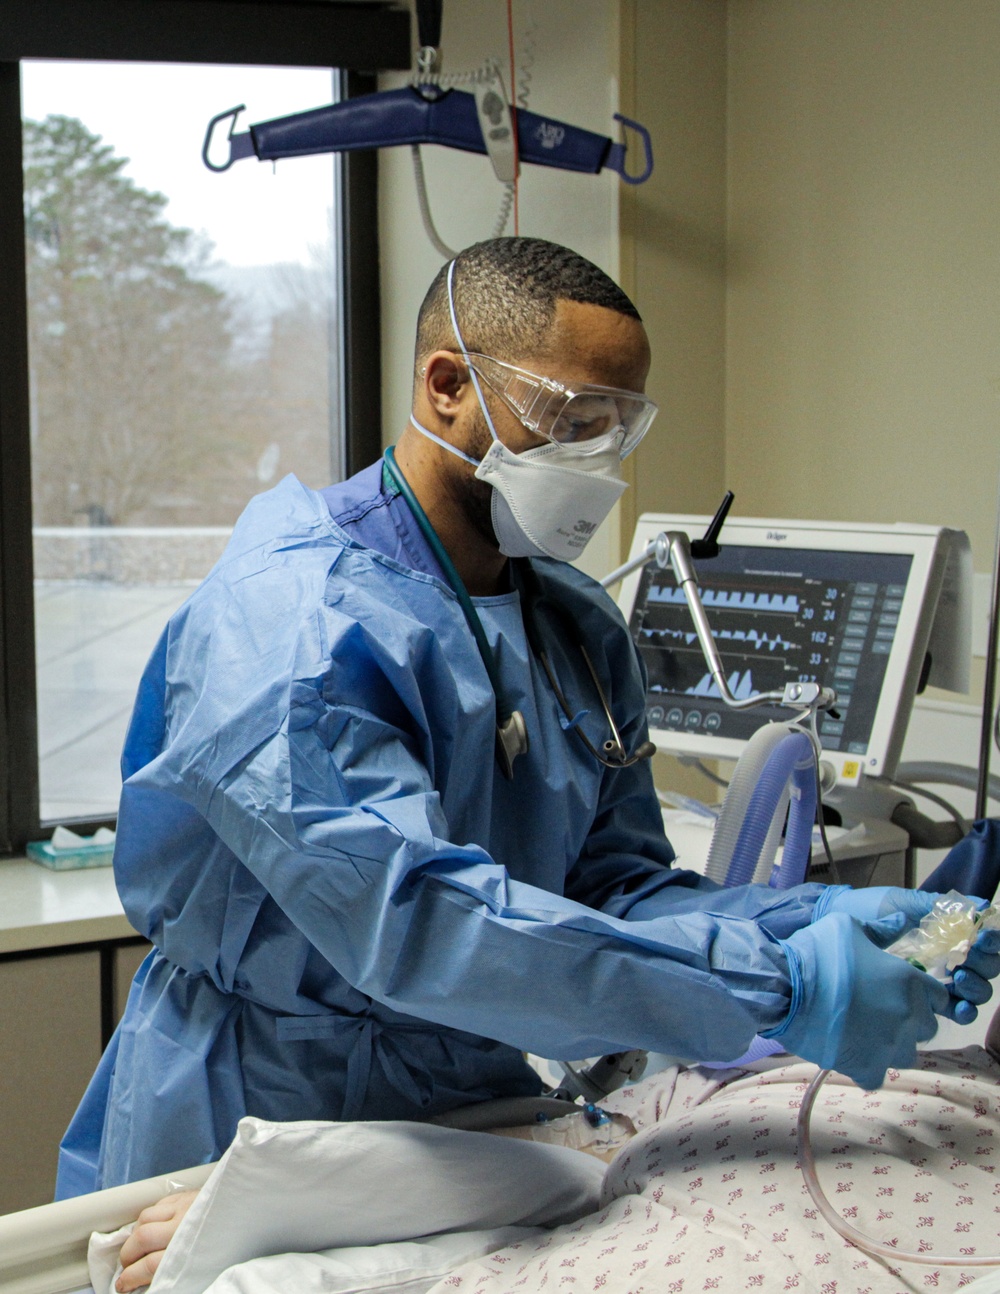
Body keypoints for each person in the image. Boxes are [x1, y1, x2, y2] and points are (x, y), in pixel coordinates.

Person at [57, 237, 999, 1213]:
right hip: (261, 1112)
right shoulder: (292, 624)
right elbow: (419, 921)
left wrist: (810, 920)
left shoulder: (576, 626)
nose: (598, 459)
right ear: (446, 385)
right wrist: (782, 986)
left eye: (620, 427)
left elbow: (613, 889)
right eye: (573, 418)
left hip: (466, 1118)